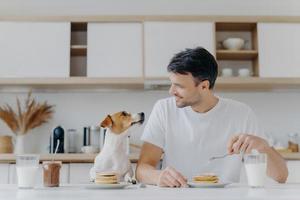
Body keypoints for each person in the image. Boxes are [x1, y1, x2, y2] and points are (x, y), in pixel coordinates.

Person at [136, 47, 288, 187]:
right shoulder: (164, 109)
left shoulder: (242, 114)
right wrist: (158, 176)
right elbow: (141, 170)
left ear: (204, 86)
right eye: (172, 84)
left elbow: (281, 176)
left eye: (179, 86)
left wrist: (262, 147)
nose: (171, 91)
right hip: (177, 194)